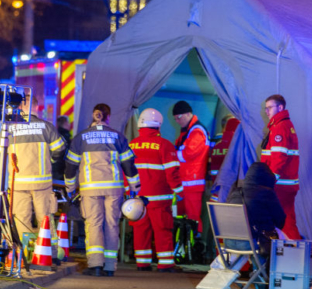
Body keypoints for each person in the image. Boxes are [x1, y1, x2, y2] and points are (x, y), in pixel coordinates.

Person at [65, 103, 140, 277]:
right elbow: (129, 164)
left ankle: (96, 265)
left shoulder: (81, 138)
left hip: (90, 189)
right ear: (108, 117)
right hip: (114, 188)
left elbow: (71, 165)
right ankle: (109, 267)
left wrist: (69, 187)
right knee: (112, 225)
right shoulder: (117, 137)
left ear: (93, 116)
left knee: (94, 225)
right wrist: (134, 187)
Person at [0, 94, 65, 253]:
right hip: (42, 183)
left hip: (18, 184)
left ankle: (25, 255)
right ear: (37, 107)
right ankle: (49, 254)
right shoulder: (46, 127)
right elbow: (59, 150)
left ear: (19, 108)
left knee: (21, 220)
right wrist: (50, 162)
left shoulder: (10, 128)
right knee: (45, 219)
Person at [129, 108, 182, 272]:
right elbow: (172, 172)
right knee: (162, 230)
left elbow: (125, 172)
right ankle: (165, 264)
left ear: (140, 126)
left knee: (140, 230)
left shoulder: (131, 145)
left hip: (138, 198)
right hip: (159, 198)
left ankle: (142, 263)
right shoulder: (165, 145)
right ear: (158, 126)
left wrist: (128, 193)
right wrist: (180, 192)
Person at [260, 94, 301, 239]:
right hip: (286, 184)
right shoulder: (284, 125)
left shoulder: (279, 127)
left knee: (284, 222)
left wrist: (270, 181)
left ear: (280, 107)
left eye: (269, 108)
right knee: (287, 220)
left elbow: (279, 159)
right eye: (266, 108)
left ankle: (294, 253)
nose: (267, 111)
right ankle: (293, 253)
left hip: (280, 185)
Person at [172, 101, 211, 233]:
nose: (177, 121)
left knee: (193, 218)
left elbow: (188, 153)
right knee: (184, 217)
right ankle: (185, 245)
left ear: (188, 114)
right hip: (186, 182)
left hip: (192, 182)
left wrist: (171, 156)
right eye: (175, 118)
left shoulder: (197, 131)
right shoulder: (188, 130)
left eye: (179, 117)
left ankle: (194, 247)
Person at [242, 162, 286, 255]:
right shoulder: (266, 193)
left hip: (230, 240)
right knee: (284, 241)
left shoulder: (236, 191)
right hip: (258, 242)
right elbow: (280, 218)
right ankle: (268, 268)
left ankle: (256, 268)